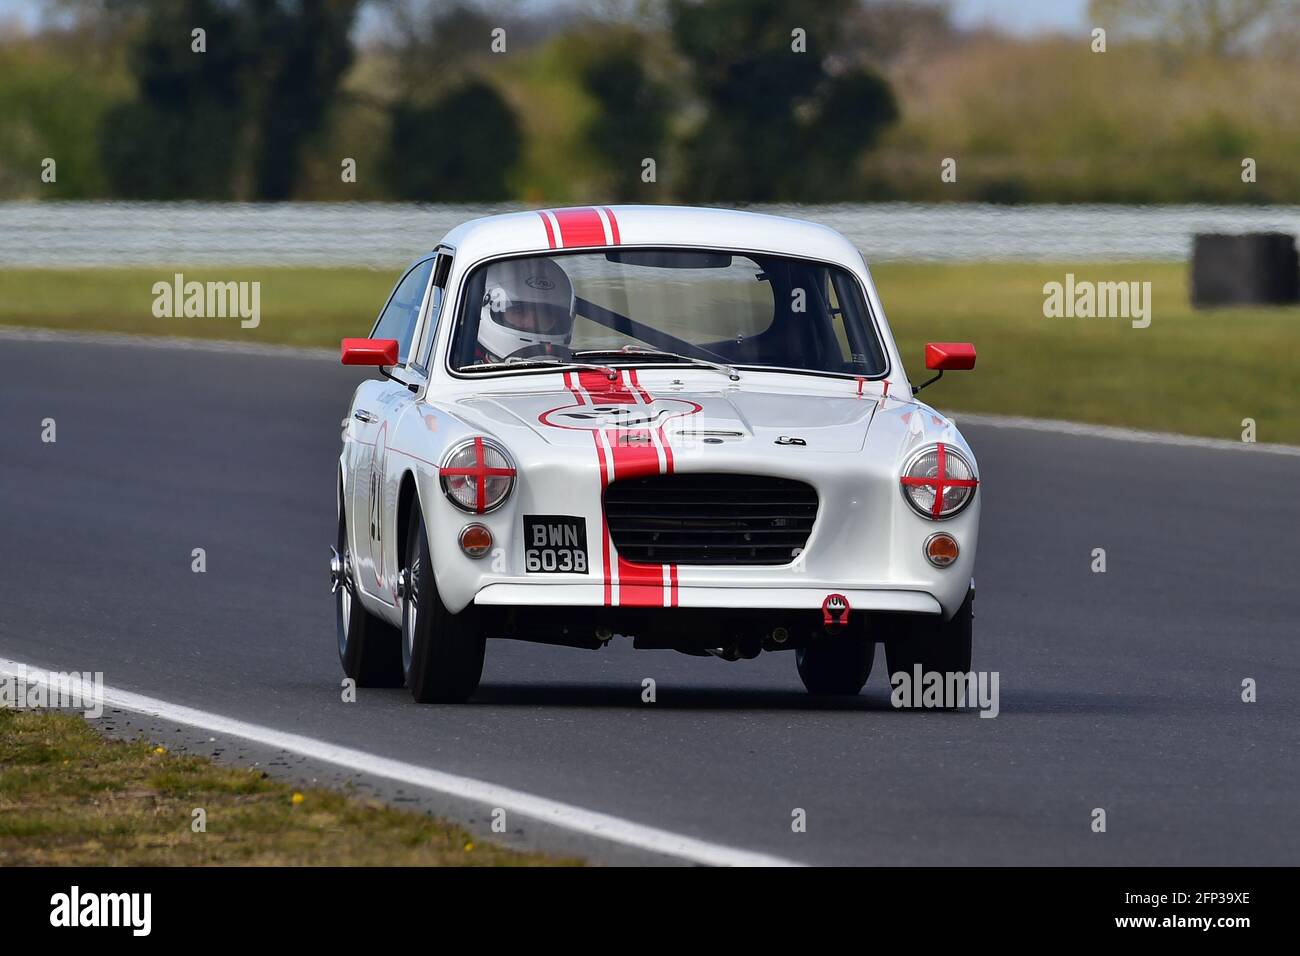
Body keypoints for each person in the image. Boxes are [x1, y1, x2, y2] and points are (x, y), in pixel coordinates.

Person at [475, 257, 576, 363]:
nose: (531, 323)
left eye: (544, 315)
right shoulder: (461, 364)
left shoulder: (580, 369)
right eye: (519, 312)